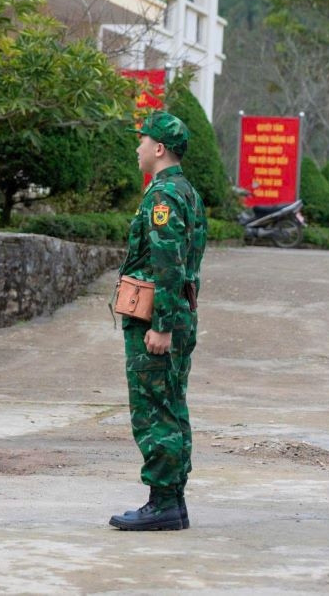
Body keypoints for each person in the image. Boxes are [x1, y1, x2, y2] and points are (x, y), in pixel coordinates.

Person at [109, 111, 207, 531]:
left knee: (154, 410)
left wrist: (161, 325)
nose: (138, 147)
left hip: (159, 316)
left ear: (159, 149)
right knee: (171, 404)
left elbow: (168, 264)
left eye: (143, 141)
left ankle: (163, 502)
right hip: (177, 313)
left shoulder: (163, 197)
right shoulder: (187, 192)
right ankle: (173, 501)